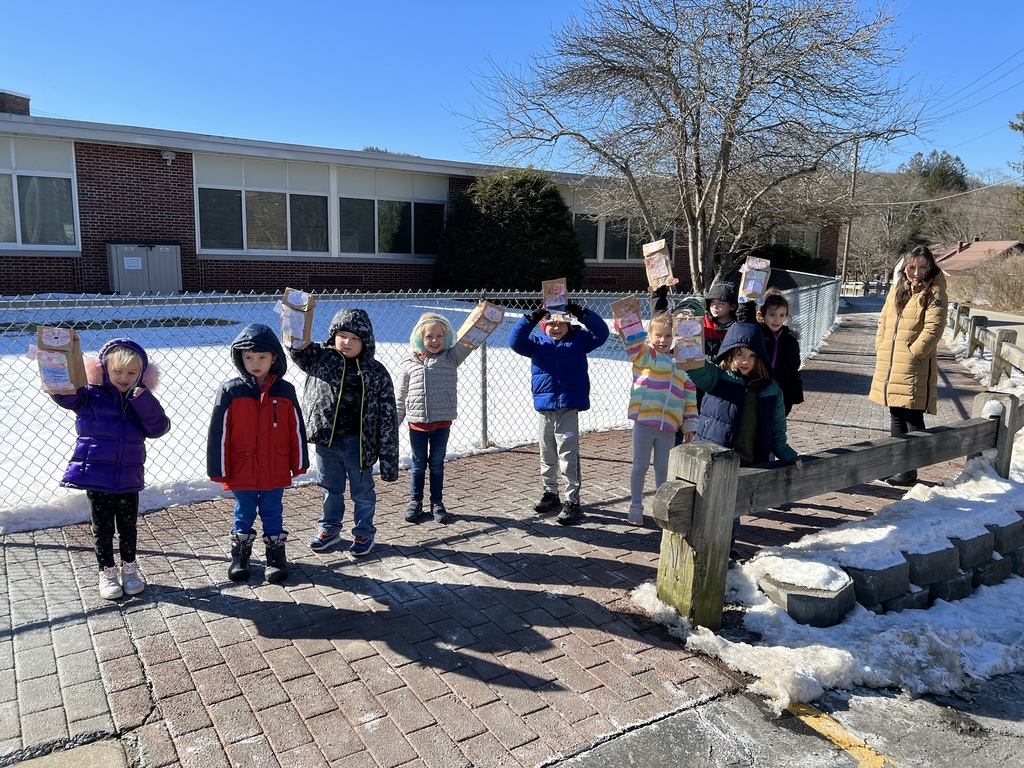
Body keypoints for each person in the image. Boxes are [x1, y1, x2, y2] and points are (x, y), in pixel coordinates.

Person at [50, 339, 170, 600]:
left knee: (128, 527)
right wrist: (54, 365)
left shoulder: (140, 398)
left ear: (142, 374)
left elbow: (159, 428)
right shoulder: (89, 396)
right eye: (117, 371)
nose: (124, 378)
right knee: (102, 528)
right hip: (97, 477)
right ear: (104, 370)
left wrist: (144, 401)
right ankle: (106, 571)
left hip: (128, 477)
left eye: (131, 373)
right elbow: (64, 395)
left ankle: (129, 568)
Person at [288, 307, 399, 557]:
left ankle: (364, 532)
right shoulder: (320, 359)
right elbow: (297, 348)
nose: (347, 342)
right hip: (327, 441)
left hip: (359, 444)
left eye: (355, 338)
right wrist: (294, 315)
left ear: (366, 341)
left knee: (362, 491)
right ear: (332, 336)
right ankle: (329, 529)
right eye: (342, 336)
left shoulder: (376, 372)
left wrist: (389, 459)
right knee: (330, 487)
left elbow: (388, 415)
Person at [687, 323, 803, 555]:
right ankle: (699, 548)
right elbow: (693, 365)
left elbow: (777, 432)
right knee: (706, 505)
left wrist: (789, 456)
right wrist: (685, 335)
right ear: (730, 353)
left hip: (747, 461)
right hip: (715, 458)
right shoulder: (717, 377)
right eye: (739, 354)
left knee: (732, 509)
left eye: (751, 355)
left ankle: (726, 550)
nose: (745, 361)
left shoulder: (772, 389)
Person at [207, 324, 309, 584]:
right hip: (242, 467)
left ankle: (275, 556)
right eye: (249, 357)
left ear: (274, 357)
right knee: (244, 510)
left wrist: (298, 463)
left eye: (262, 357)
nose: (255, 362)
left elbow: (296, 428)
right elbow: (219, 432)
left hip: (275, 466)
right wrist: (218, 468)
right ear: (239, 357)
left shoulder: (285, 391)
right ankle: (240, 555)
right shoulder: (231, 391)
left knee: (273, 510)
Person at [508, 301, 610, 525]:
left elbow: (601, 333)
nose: (556, 327)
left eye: (561, 322)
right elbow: (514, 341)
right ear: (543, 325)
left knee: (568, 456)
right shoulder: (536, 343)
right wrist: (530, 319)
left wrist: (583, 313)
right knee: (547, 454)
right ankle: (550, 493)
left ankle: (572, 501)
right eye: (550, 323)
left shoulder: (579, 340)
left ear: (569, 323)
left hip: (568, 407)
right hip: (545, 409)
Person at [869, 245, 948, 486]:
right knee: (895, 413)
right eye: (912, 267)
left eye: (923, 267)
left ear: (931, 267)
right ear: (905, 267)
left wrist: (915, 353)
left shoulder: (935, 291)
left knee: (912, 416)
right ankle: (897, 465)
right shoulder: (897, 289)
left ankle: (909, 469)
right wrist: (881, 345)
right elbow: (884, 319)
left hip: (914, 363)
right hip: (890, 361)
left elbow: (934, 329)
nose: (917, 272)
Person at [394, 312, 475, 524]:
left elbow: (470, 340)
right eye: (429, 336)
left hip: (441, 423)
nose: (434, 341)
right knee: (418, 464)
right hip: (417, 424)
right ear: (420, 338)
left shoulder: (451, 357)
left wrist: (486, 318)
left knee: (437, 464)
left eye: (440, 336)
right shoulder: (408, 362)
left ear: (446, 338)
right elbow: (401, 395)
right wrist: (394, 423)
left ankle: (437, 502)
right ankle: (415, 501)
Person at [622, 310, 698, 526]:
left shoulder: (684, 363)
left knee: (663, 470)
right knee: (640, 466)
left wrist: (689, 425)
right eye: (658, 335)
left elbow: (690, 398)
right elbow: (632, 344)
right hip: (645, 423)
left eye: (668, 335)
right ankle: (636, 505)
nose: (663, 340)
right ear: (650, 335)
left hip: (669, 428)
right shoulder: (645, 355)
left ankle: (661, 507)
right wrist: (627, 318)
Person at [756, 289, 804, 416]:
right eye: (772, 314)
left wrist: (794, 394)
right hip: (758, 393)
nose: (777, 319)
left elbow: (794, 369)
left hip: (782, 395)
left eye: (782, 315)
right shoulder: (757, 336)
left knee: (776, 431)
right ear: (761, 315)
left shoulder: (790, 341)